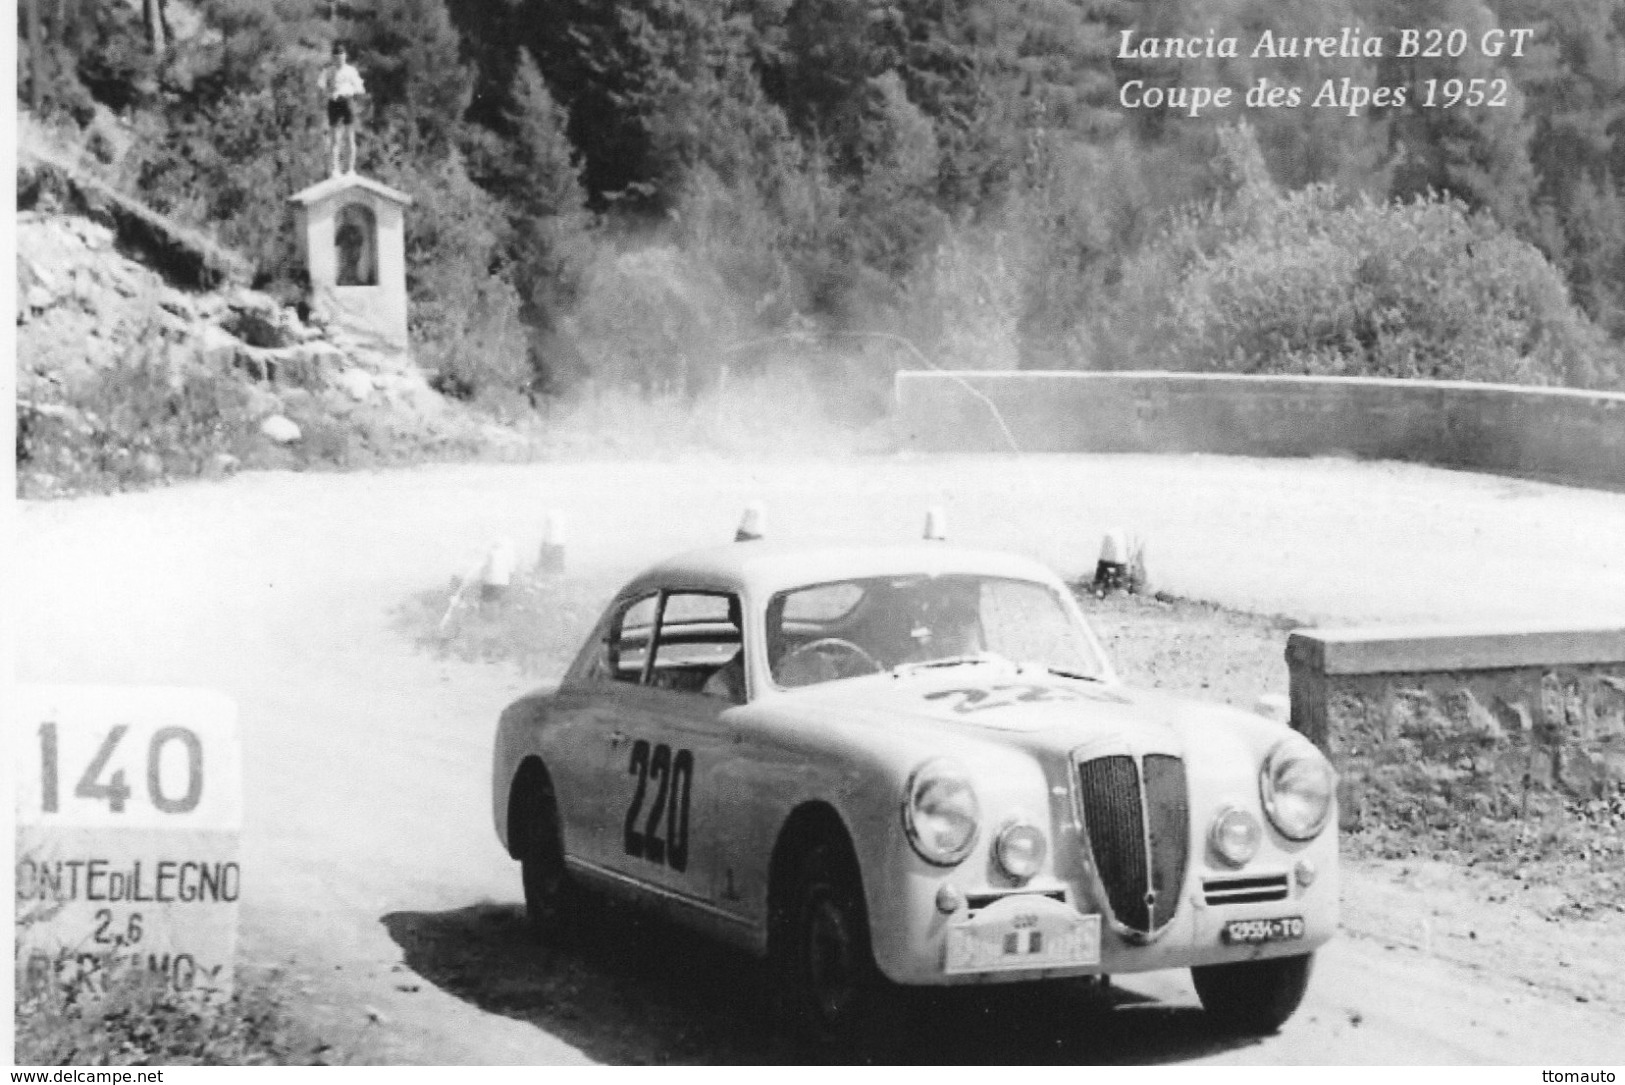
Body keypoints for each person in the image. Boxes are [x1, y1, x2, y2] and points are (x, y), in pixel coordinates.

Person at [321, 44, 366, 176]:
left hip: (347, 102)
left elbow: (360, 88)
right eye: (336, 58)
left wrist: (347, 91)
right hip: (333, 103)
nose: (339, 60)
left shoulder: (351, 71)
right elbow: (321, 86)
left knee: (349, 137)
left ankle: (350, 169)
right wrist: (330, 92)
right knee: (334, 138)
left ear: (345, 57)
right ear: (333, 58)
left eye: (341, 58)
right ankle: (335, 169)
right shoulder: (328, 71)